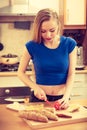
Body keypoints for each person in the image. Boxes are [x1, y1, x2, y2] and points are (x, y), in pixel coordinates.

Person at [18, 8, 77, 109]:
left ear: (58, 25)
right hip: (39, 100)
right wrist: (35, 88)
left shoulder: (69, 44)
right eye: (43, 31)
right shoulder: (31, 46)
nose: (48, 35)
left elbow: (71, 74)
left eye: (52, 30)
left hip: (62, 99)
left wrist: (66, 97)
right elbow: (20, 73)